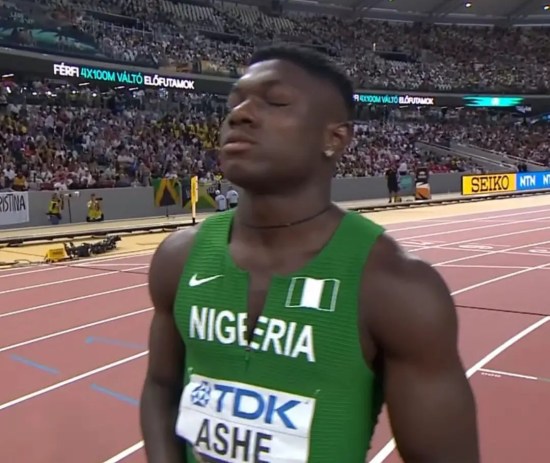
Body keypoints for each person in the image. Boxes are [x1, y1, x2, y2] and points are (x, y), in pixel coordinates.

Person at [140, 45, 479, 463]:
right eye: (234, 102)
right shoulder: (177, 258)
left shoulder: (396, 287)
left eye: (276, 101)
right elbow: (160, 388)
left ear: (334, 138)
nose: (238, 114)